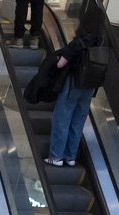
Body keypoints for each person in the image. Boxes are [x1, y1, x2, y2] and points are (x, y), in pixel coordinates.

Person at [45, 18, 105, 168]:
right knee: (78, 122)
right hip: (90, 88)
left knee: (62, 119)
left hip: (73, 85)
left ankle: (56, 156)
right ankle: (70, 156)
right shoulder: (102, 46)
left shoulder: (78, 43)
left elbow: (60, 64)